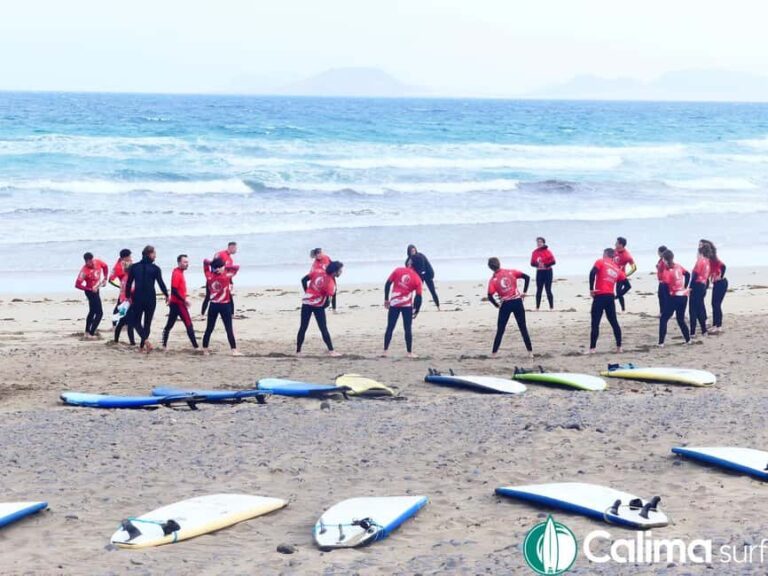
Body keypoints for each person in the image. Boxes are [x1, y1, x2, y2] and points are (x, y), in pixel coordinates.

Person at [125, 245, 168, 353]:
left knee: (136, 322)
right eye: (154, 254)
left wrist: (128, 296)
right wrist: (167, 295)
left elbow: (129, 283)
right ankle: (143, 344)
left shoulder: (134, 267)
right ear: (149, 254)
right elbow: (161, 283)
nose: (155, 256)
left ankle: (144, 344)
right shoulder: (155, 268)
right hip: (150, 299)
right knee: (147, 323)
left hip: (138, 298)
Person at [487, 258, 533, 358]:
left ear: (490, 268)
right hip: (517, 302)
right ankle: (530, 353)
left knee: (500, 330)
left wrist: (497, 305)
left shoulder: (493, 280)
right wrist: (524, 292)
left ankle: (494, 354)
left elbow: (490, 296)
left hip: (506, 305)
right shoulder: (510, 272)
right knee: (523, 328)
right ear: (499, 263)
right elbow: (527, 277)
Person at [297, 261, 343, 356]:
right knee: (323, 328)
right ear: (335, 272)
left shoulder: (317, 271)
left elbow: (303, 280)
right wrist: (330, 307)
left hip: (306, 302)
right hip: (318, 306)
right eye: (340, 270)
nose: (341, 272)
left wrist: (308, 292)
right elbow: (330, 299)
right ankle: (331, 351)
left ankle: (298, 352)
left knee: (303, 327)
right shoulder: (330, 283)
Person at [383, 260, 423, 358]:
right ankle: (409, 353)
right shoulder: (417, 279)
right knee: (407, 329)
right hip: (407, 305)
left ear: (410, 264)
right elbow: (419, 297)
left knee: (390, 327)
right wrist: (416, 310)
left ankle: (385, 351)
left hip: (394, 303)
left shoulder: (398, 270)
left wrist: (386, 299)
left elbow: (387, 284)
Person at [588, 248, 625, 354]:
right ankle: (619, 347)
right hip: (610, 297)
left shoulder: (600, 261)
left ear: (605, 254)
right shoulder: (617, 268)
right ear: (613, 256)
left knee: (595, 323)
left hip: (599, 295)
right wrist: (618, 296)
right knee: (614, 322)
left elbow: (592, 273)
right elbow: (627, 285)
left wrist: (591, 289)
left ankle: (592, 349)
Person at [202, 256, 240, 356]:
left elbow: (205, 262)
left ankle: (205, 350)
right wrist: (225, 266)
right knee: (228, 329)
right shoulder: (226, 276)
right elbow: (237, 267)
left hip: (213, 305)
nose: (219, 269)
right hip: (224, 305)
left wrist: (212, 264)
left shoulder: (209, 276)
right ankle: (234, 350)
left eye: (220, 267)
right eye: (218, 267)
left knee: (209, 328)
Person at [162, 254, 198, 351]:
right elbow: (174, 290)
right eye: (184, 262)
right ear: (179, 263)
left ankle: (164, 345)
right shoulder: (177, 273)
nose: (187, 264)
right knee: (188, 324)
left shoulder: (179, 272)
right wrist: (184, 300)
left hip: (175, 303)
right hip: (178, 304)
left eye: (187, 262)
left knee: (170, 324)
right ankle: (196, 347)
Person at [658, 249, 691, 347]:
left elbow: (664, 287)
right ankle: (688, 340)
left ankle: (661, 343)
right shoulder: (678, 266)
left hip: (674, 297)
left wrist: (666, 302)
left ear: (664, 259)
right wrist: (685, 286)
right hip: (683, 296)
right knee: (680, 319)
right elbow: (688, 274)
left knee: (663, 319)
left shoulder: (666, 272)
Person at [74, 252, 108, 339]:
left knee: (92, 311)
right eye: (89, 262)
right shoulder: (84, 271)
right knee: (99, 313)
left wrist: (105, 278)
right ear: (86, 261)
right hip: (90, 292)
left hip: (97, 289)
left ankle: (87, 332)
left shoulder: (97, 262)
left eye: (92, 261)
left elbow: (105, 267)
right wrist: (90, 289)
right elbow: (77, 285)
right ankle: (91, 333)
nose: (92, 263)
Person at [202, 241, 237, 315]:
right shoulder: (220, 254)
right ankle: (202, 314)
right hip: (213, 279)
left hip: (224, 281)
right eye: (235, 248)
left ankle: (232, 314)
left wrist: (231, 282)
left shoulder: (230, 260)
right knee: (208, 296)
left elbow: (229, 272)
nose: (236, 250)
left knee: (229, 297)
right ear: (231, 247)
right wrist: (212, 276)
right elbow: (213, 264)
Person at [109, 248, 135, 345]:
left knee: (121, 307)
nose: (131, 258)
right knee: (120, 307)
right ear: (125, 257)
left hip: (128, 287)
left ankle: (120, 324)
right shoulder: (118, 267)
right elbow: (111, 279)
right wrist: (120, 286)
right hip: (125, 290)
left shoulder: (129, 262)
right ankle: (115, 324)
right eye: (129, 256)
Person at [406, 245, 440, 310]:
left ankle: (438, 307)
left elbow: (423, 267)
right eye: (411, 251)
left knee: (432, 291)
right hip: (419, 276)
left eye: (414, 250)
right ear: (409, 252)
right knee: (417, 292)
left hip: (427, 274)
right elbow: (408, 269)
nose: (413, 252)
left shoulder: (420, 256)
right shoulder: (408, 260)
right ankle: (415, 307)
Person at [689, 242, 712, 338]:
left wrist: (689, 287)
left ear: (700, 252)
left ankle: (693, 332)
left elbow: (695, 275)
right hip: (703, 286)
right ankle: (704, 330)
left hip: (697, 286)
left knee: (693, 310)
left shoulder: (700, 261)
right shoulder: (707, 261)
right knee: (700, 309)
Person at [530, 237, 556, 310]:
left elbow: (553, 262)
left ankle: (551, 307)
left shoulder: (548, 251)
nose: (539, 243)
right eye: (538, 242)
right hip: (539, 272)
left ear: (544, 243)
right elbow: (532, 263)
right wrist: (537, 265)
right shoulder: (534, 252)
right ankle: (537, 307)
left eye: (540, 242)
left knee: (548, 289)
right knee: (539, 289)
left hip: (548, 272)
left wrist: (545, 265)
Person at [707, 242, 727, 333]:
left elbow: (723, 266)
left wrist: (721, 275)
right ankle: (715, 324)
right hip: (716, 283)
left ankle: (718, 326)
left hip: (721, 283)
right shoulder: (709, 260)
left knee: (716, 304)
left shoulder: (714, 259)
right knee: (714, 304)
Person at [613, 237, 636, 312]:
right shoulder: (614, 251)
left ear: (621, 245)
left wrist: (626, 275)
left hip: (620, 276)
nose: (615, 244)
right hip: (612, 273)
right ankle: (616, 298)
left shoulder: (627, 256)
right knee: (618, 291)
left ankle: (623, 308)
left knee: (623, 289)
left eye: (617, 243)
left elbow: (634, 268)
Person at [655, 245, 668, 317]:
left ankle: (663, 312)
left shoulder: (664, 260)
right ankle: (662, 311)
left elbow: (665, 270)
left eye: (658, 252)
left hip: (664, 281)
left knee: (663, 297)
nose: (658, 253)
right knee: (660, 296)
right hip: (661, 281)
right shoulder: (660, 260)